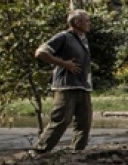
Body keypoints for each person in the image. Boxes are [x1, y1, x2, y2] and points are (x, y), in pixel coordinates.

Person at [32, 9, 94, 154]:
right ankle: (39, 151)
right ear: (77, 22)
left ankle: (77, 152)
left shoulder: (83, 39)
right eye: (86, 21)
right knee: (61, 120)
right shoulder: (64, 37)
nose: (89, 23)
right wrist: (64, 63)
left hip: (83, 86)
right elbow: (40, 52)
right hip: (65, 86)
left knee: (84, 121)